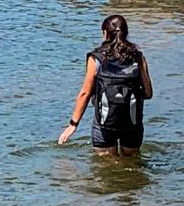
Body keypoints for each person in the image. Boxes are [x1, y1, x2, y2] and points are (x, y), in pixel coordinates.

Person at [58, 13, 153, 154]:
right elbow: (148, 93)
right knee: (133, 166)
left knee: (106, 169)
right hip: (132, 125)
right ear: (126, 33)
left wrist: (73, 124)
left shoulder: (96, 58)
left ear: (105, 33)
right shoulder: (137, 57)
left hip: (104, 126)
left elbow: (85, 93)